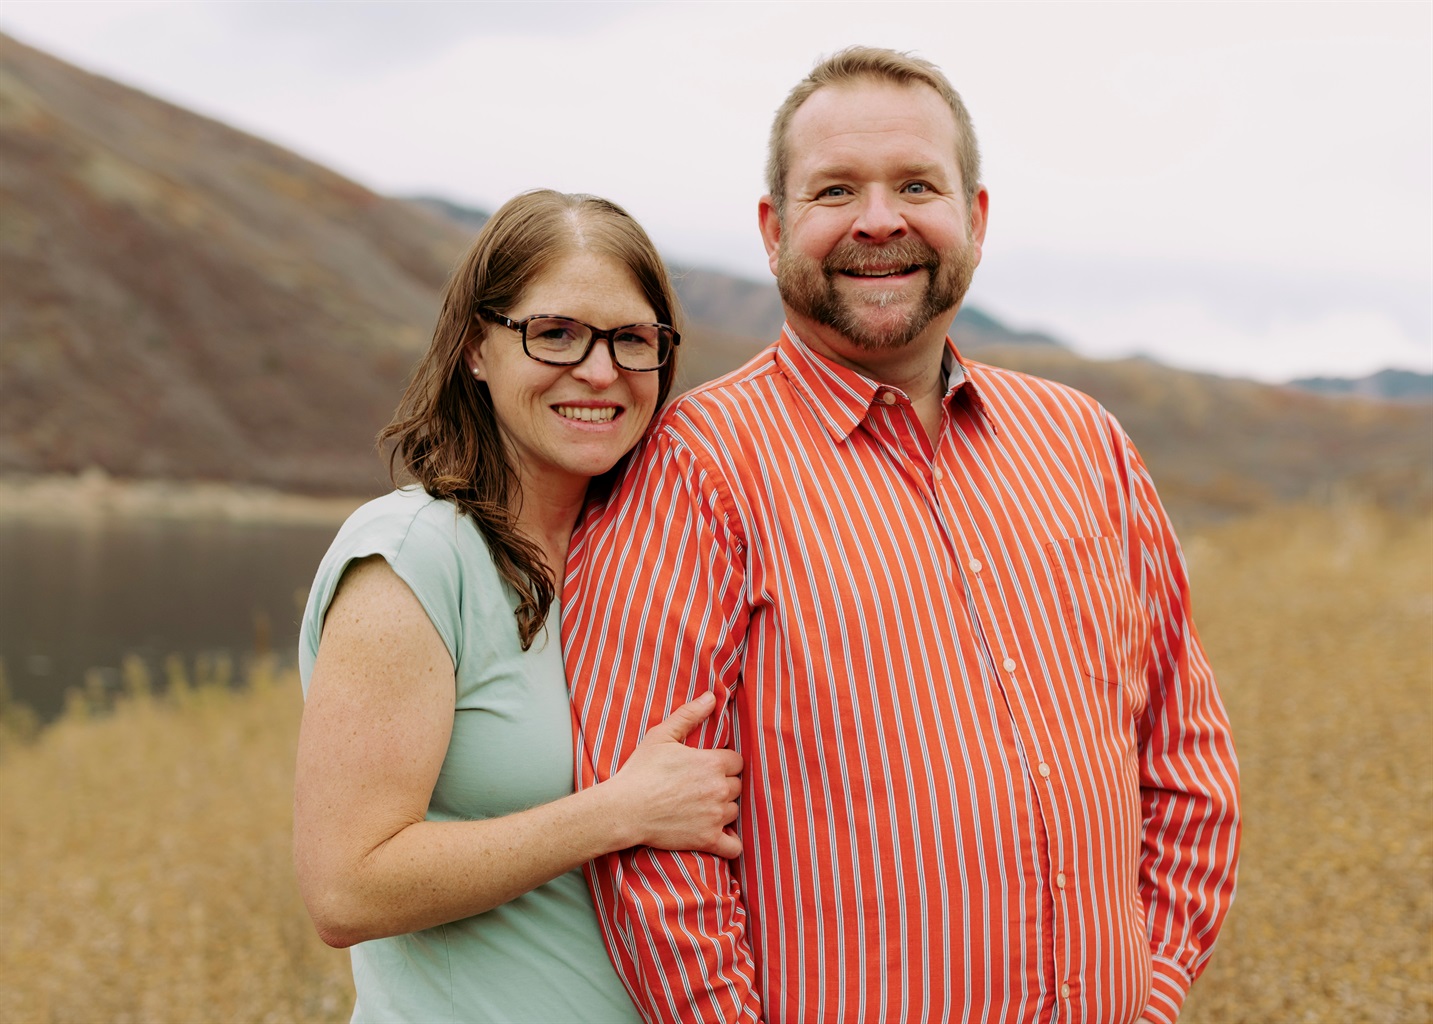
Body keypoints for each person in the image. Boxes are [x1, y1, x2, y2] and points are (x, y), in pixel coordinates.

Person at [564, 47, 1240, 1024]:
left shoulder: (1083, 445)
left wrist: (1151, 990)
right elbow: (653, 862)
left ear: (975, 216)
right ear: (773, 229)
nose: (879, 220)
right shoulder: (693, 468)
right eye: (835, 189)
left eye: (916, 185)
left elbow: (1184, 763)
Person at [292, 189, 743, 1023]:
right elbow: (347, 888)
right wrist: (618, 812)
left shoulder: (653, 558)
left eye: (631, 339)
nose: (599, 371)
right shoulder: (416, 556)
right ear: (476, 348)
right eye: (556, 333)